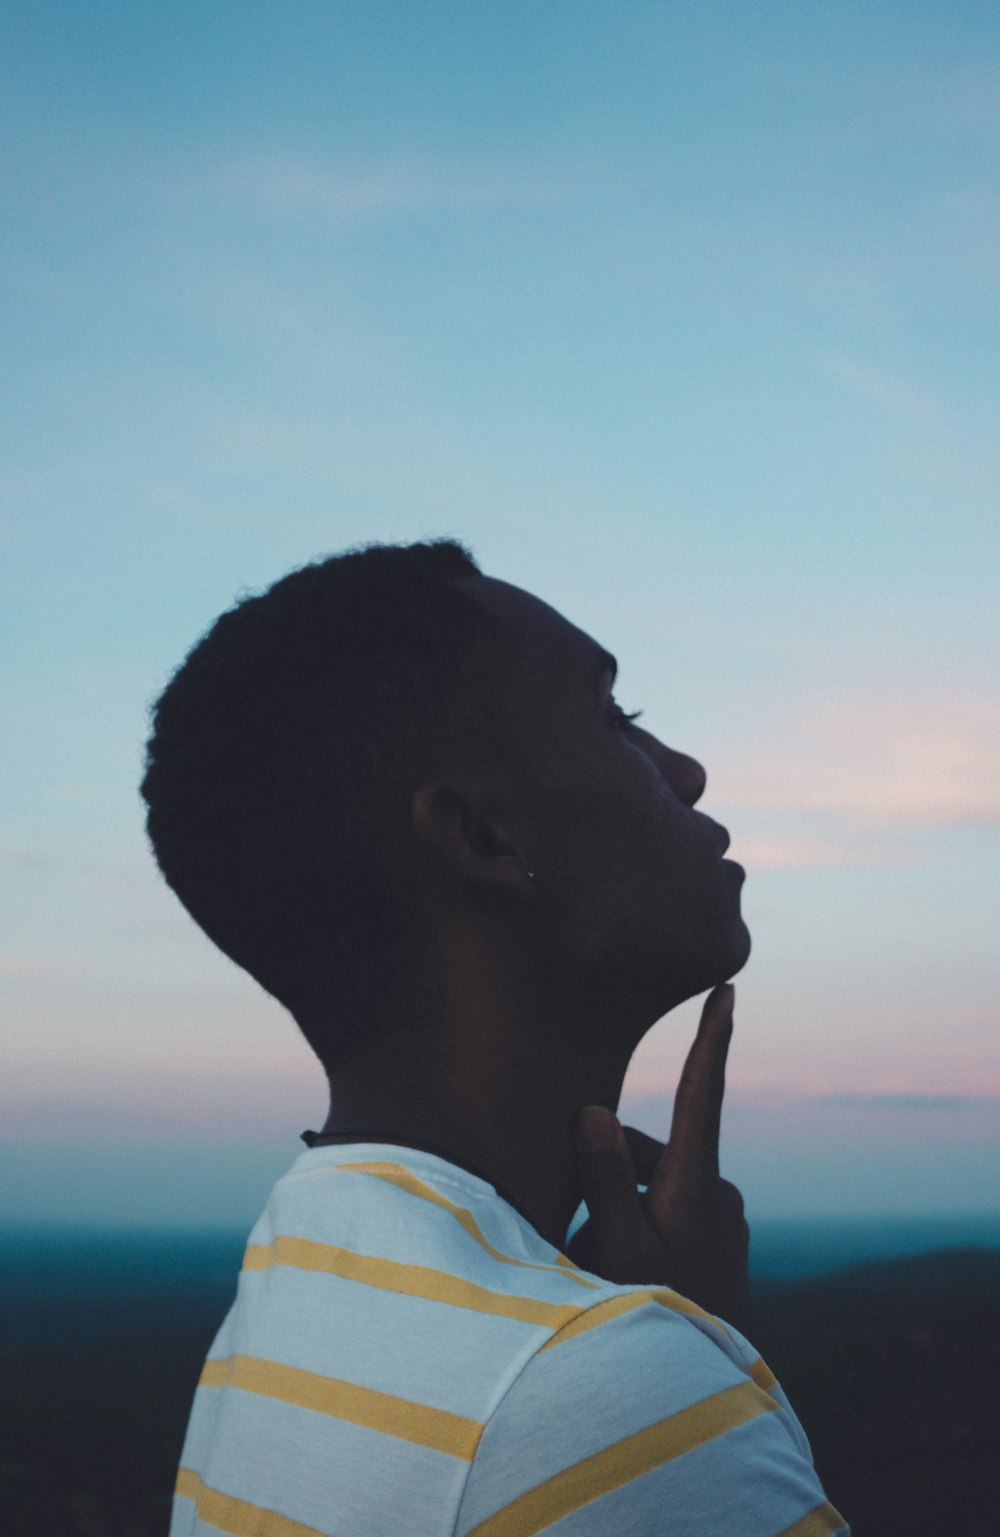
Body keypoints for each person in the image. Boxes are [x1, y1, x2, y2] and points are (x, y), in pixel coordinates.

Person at [142, 539, 847, 1536]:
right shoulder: (600, 1400)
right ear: (485, 838)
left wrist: (673, 1338)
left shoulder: (293, 1281)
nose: (685, 771)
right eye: (613, 717)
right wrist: (687, 1360)